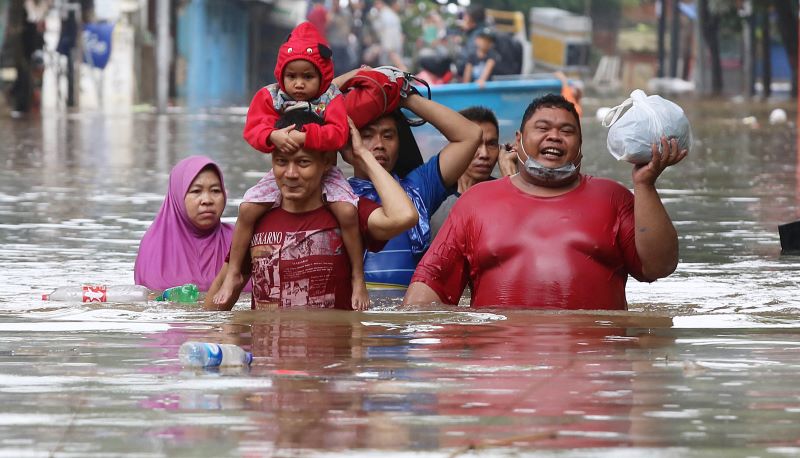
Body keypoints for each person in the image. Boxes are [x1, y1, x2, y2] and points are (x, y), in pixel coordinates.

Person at [404, 93, 687, 309]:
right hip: (501, 372)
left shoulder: (614, 198)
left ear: (580, 144)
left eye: (567, 131)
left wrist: (645, 184)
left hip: (594, 368)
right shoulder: (476, 202)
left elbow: (658, 267)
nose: (555, 136)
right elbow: (430, 285)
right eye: (543, 128)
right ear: (518, 140)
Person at [214, 22, 368, 310]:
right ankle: (234, 271)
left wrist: (306, 136)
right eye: (292, 76)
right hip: (281, 171)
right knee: (247, 209)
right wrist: (272, 135)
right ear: (281, 75)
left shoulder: (331, 98)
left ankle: (359, 277)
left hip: (325, 170)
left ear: (321, 77)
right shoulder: (270, 96)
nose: (299, 84)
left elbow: (338, 134)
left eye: (307, 77)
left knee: (347, 211)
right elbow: (252, 130)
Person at [203, 111, 418, 311]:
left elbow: (404, 216)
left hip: (331, 350)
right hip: (267, 352)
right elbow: (216, 306)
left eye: (303, 162)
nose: (290, 174)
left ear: (325, 163)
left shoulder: (348, 209)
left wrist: (362, 154)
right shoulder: (256, 215)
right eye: (281, 162)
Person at [337, 78, 482, 289]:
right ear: (350, 143)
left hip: (409, 314)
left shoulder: (418, 187)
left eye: (388, 136)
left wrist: (404, 96)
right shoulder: (335, 193)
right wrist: (351, 78)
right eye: (367, 136)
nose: (379, 145)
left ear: (400, 142)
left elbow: (471, 135)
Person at [134, 156, 250, 294]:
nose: (207, 200)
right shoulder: (154, 246)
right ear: (177, 196)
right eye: (196, 191)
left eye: (215, 191)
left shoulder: (240, 240)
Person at [430, 106, 501, 237]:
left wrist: (510, 171)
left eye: (491, 144)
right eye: (476, 144)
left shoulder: (504, 195)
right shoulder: (431, 197)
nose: (484, 154)